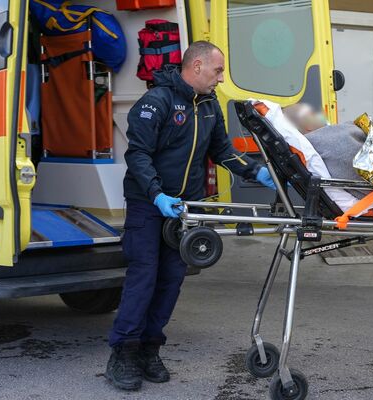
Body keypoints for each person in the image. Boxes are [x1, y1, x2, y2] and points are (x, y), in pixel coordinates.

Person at [105, 41, 275, 391]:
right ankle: (123, 352)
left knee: (171, 280)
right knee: (144, 277)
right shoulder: (157, 102)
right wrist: (157, 194)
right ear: (196, 66)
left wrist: (254, 171)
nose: (221, 78)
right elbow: (137, 155)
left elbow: (222, 151)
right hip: (149, 205)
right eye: (217, 71)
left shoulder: (210, 106)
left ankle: (150, 349)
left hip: (187, 209)